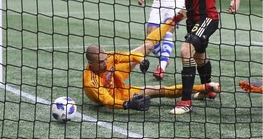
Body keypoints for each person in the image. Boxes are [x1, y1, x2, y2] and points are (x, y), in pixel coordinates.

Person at [140, 0, 240, 115]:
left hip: (208, 17)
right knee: (199, 56)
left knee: (186, 50)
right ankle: (207, 88)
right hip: (192, 18)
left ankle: (185, 102)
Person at [83, 12, 221, 111]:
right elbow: (107, 101)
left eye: (105, 59)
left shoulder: (107, 57)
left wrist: (141, 60)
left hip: (116, 75)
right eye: (101, 62)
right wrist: (127, 104)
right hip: (115, 94)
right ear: (91, 64)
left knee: (148, 46)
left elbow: (129, 56)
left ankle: (172, 21)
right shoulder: (91, 82)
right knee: (156, 91)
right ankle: (204, 87)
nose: (105, 62)